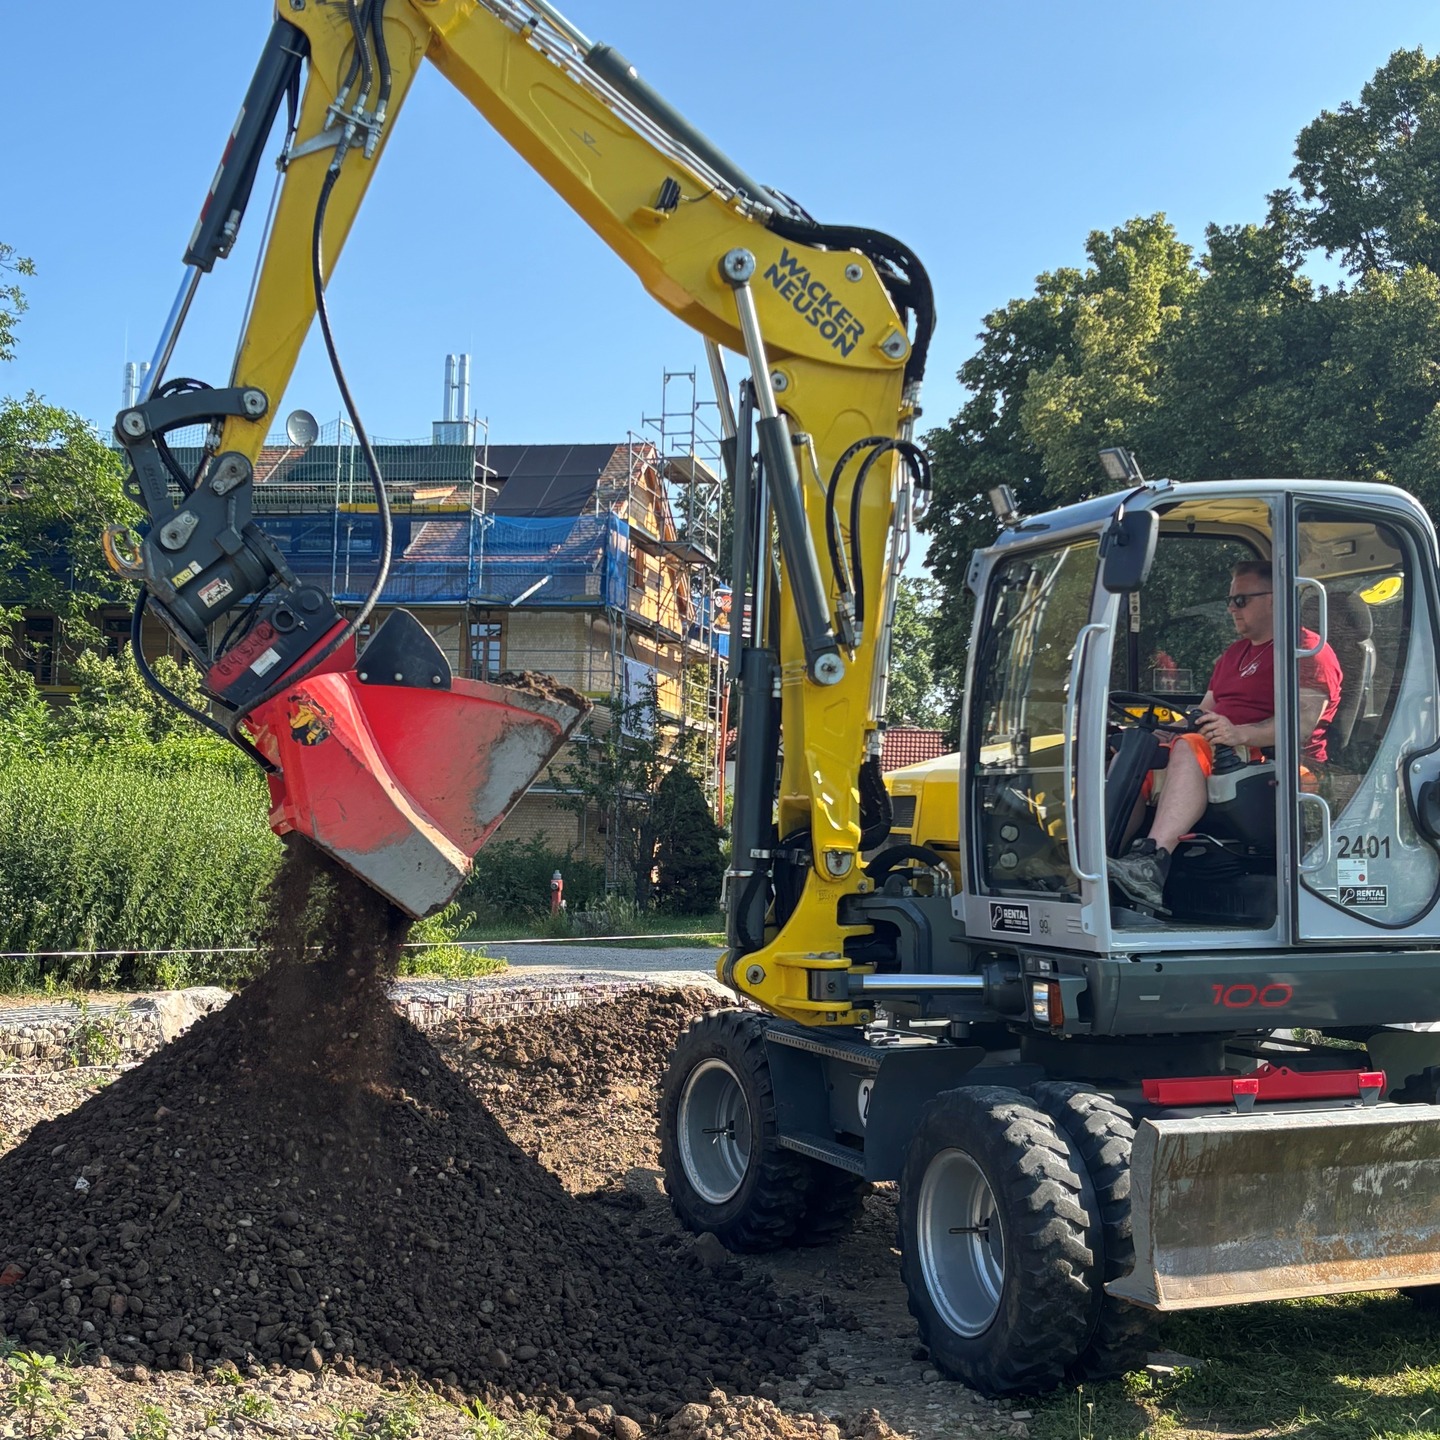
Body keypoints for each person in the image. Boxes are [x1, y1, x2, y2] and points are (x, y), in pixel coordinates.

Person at [1108, 560, 1343, 913]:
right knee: (1134, 750)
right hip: (1223, 749)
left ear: (1274, 599)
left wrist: (1237, 733)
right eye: (1230, 600)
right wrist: (1156, 733)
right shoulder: (1234, 654)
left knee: (1190, 747)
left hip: (1283, 763)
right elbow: (1203, 712)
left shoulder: (1308, 651)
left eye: (1241, 600)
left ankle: (1151, 863)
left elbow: (1301, 725)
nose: (1231, 608)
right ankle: (1104, 863)